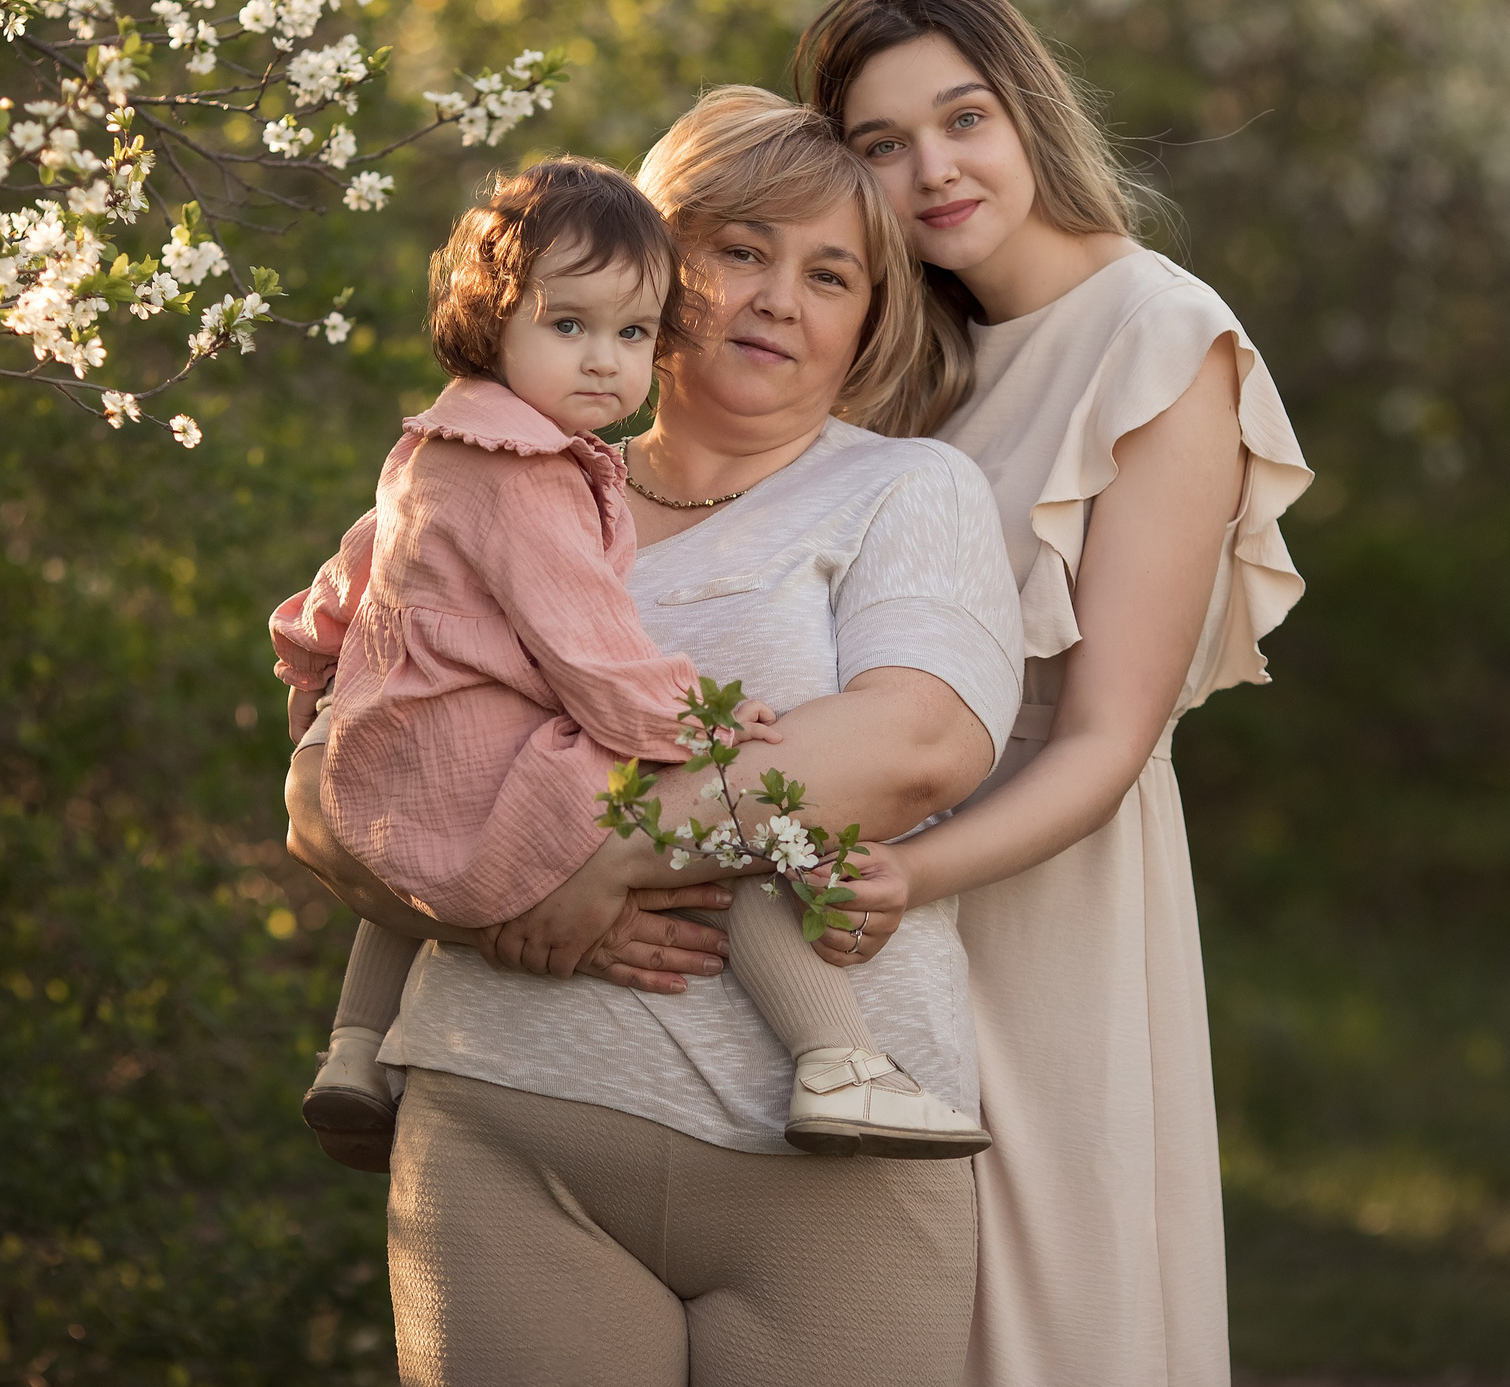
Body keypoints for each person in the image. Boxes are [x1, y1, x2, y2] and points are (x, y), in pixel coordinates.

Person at [281, 87, 1023, 1387]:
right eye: (740, 251)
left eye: (829, 273)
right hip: (510, 1126)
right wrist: (487, 907)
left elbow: (913, 745)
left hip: (827, 1171)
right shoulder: (504, 474)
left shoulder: (907, 489)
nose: (779, 299)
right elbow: (336, 777)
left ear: (871, 315)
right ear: (652, 259)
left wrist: (594, 865)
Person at [793, 0, 1313, 1387]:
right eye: (879, 146)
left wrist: (908, 880)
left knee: (1037, 1321)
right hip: (843, 901)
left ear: (1025, 111)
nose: (934, 171)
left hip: (1037, 891)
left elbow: (1104, 739)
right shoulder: (893, 357)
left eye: (962, 119)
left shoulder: (1159, 338)